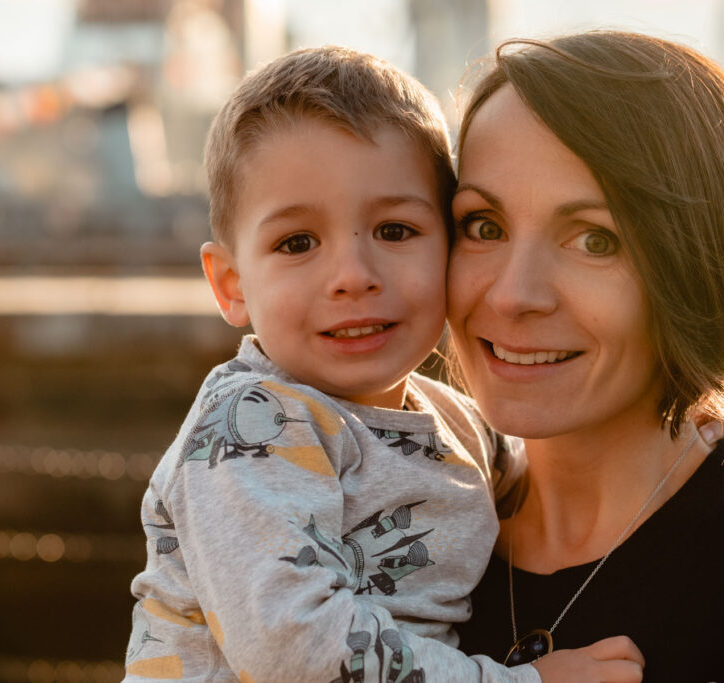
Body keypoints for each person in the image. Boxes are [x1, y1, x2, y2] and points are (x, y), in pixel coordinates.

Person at [122, 45, 651, 683]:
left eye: (395, 231)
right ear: (231, 285)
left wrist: (673, 437)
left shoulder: (458, 422)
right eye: (297, 242)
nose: (353, 275)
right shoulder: (249, 431)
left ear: (452, 246)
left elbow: (548, 484)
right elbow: (295, 647)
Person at [448, 31, 724, 681]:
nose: (513, 295)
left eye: (595, 240)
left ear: (701, 268)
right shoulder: (384, 537)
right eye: (484, 226)